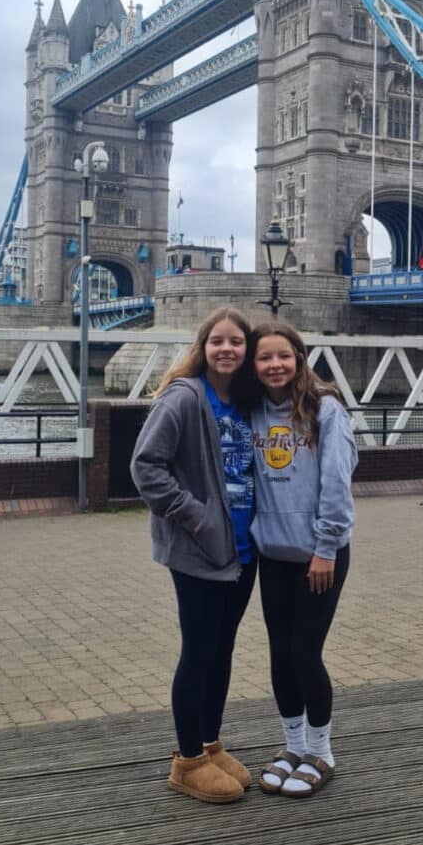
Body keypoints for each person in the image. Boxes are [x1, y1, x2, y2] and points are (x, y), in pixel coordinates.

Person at [130, 308, 256, 804]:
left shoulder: (246, 402)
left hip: (244, 550)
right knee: (199, 652)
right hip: (199, 548)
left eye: (237, 342)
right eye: (218, 341)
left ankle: (210, 744)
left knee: (222, 653)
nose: (227, 349)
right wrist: (194, 515)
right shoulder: (183, 399)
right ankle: (186, 762)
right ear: (203, 347)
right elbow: (146, 467)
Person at [248, 321, 358, 798]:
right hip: (272, 553)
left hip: (319, 555)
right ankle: (292, 746)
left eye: (283, 356)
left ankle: (321, 752)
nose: (275, 365)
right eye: (264, 357)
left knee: (304, 653)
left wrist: (326, 546)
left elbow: (336, 480)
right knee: (278, 653)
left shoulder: (325, 409)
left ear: (299, 358)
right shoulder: (250, 410)